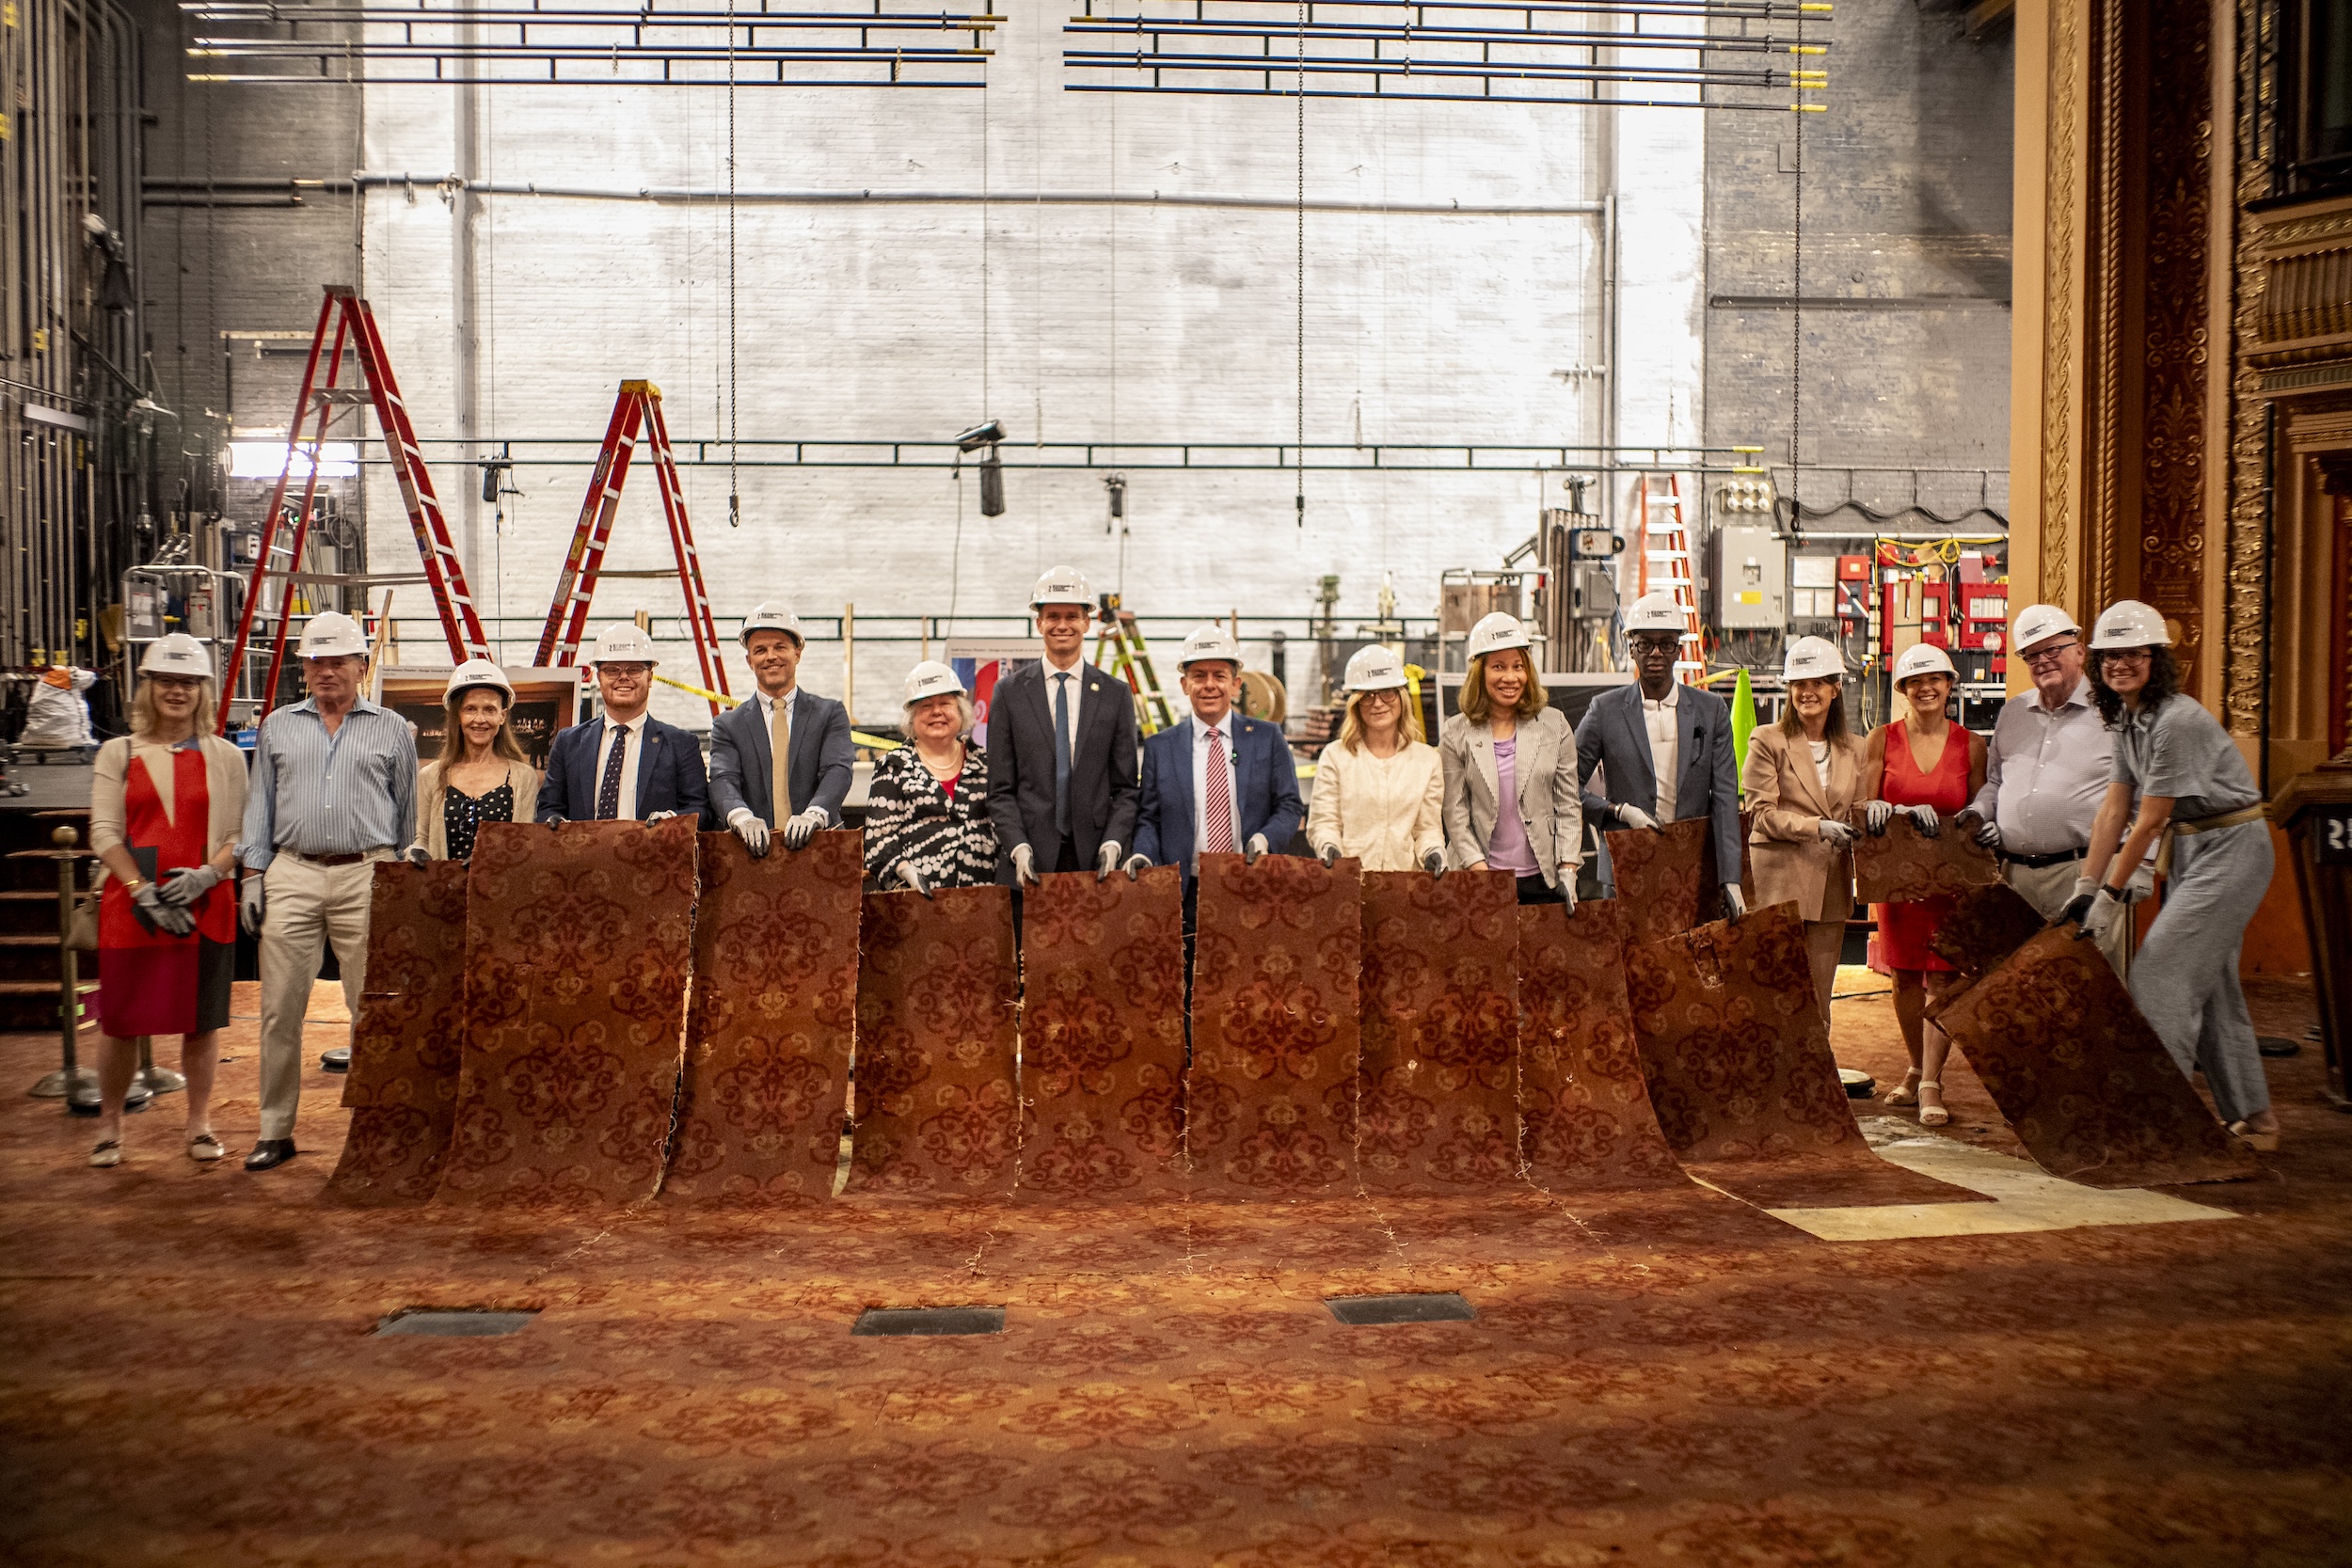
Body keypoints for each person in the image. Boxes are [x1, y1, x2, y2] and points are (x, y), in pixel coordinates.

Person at [2066, 600, 2279, 1150]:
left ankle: (2162, 1122)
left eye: (2132, 653)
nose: (2119, 664)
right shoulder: (2127, 719)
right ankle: (2255, 1119)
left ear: (2155, 659)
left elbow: (2151, 820)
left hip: (2231, 845)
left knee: (2160, 972)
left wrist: (2109, 898)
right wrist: (2084, 889)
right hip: (2194, 848)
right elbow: (2114, 811)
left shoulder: (2176, 720)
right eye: (2109, 656)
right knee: (2212, 986)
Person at [237, 611, 418, 1172]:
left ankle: (378, 1128)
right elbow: (259, 804)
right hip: (292, 873)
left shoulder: (393, 729)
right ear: (303, 667)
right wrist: (252, 874)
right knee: (279, 1009)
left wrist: (399, 872)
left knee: (373, 1008)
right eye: (316, 660)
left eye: (338, 660)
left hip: (366, 872)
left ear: (361, 666)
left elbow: (407, 812)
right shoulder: (277, 727)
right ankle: (275, 1129)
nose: (326, 671)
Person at [82, 635, 246, 1168]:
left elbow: (239, 834)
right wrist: (140, 890)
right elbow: (104, 832)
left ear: (204, 691)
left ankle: (199, 1123)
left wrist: (208, 874)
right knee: (122, 1021)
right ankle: (109, 1126)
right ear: (147, 687)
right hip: (133, 904)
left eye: (189, 683)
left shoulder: (225, 756)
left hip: (204, 901)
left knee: (201, 1021)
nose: (178, 692)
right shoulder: (118, 751)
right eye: (167, 681)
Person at [1957, 603, 2134, 975]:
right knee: (2022, 995)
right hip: (2015, 879)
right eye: (2031, 654)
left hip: (2084, 873)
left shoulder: (2115, 713)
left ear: (2080, 650)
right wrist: (1979, 811)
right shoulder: (2013, 712)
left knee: (2090, 989)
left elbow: (2141, 799)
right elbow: (1996, 782)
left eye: (2053, 649)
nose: (2042, 660)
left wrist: (2137, 867)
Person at [1860, 641, 1988, 1129]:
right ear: (1904, 690)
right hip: (1899, 881)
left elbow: (1975, 818)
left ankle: (1932, 1080)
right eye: (1915, 681)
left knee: (1943, 978)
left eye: (1935, 679)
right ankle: (1916, 1066)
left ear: (1950, 686)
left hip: (1949, 881)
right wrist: (1890, 810)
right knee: (1905, 977)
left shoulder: (1970, 744)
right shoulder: (1882, 739)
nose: (1926, 688)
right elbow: (1864, 806)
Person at [1575, 592, 1746, 924]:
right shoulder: (1604, 711)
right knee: (1630, 969)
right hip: (1627, 867)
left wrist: (1731, 877)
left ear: (1679, 650)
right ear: (1631, 648)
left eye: (1666, 643)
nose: (1655, 653)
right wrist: (1618, 812)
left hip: (1692, 869)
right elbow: (1565, 787)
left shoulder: (1711, 712)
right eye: (1645, 643)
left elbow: (1726, 797)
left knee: (1687, 970)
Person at [1740, 637, 1867, 1029]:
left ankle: (1815, 1087)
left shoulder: (1856, 748)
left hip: (1830, 887)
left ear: (1835, 688)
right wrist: (1818, 827)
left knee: (1818, 999)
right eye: (1799, 683)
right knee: (1774, 996)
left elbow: (1858, 811)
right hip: (1778, 885)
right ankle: (1771, 1086)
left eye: (1817, 682)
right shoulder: (1768, 740)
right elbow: (1761, 813)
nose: (1807, 692)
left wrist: (1882, 810)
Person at [984, 565, 1138, 886]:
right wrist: (1017, 846)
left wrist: (1113, 843)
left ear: (1087, 621)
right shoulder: (1009, 693)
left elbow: (1125, 789)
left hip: (1096, 863)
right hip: (1029, 862)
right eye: (1053, 616)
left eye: (1072, 616)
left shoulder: (1116, 694)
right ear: (1039, 622)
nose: (1062, 625)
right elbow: (1000, 791)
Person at [1126, 625, 1303, 894]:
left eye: (1219, 676)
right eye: (1199, 676)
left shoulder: (1267, 738)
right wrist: (1143, 854)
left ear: (1235, 685)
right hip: (1185, 889)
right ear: (1185, 685)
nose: (1209, 685)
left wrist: (1265, 839)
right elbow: (1149, 819)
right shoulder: (1160, 748)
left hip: (1251, 882)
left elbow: (1289, 805)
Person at [1440, 612, 1581, 908]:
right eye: (1499, 667)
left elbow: (1568, 803)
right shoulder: (1456, 733)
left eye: (1518, 666)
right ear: (1480, 672)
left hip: (1545, 881)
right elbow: (1455, 812)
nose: (1510, 677)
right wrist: (1481, 874)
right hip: (1478, 878)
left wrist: (1568, 867)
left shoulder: (1554, 725)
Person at [708, 603, 853, 858]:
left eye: (780, 647)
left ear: (798, 653)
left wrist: (815, 814)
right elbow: (723, 779)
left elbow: (837, 770)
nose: (770, 656)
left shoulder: (829, 714)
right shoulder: (728, 726)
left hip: (820, 850)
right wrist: (741, 817)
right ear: (749, 660)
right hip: (752, 854)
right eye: (760, 650)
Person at [535, 624, 709, 826]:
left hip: (651, 855)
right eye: (611, 670)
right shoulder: (569, 743)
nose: (623, 677)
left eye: (634, 669)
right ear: (599, 677)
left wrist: (671, 821)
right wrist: (555, 823)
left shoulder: (681, 745)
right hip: (584, 856)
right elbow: (548, 806)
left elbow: (702, 811)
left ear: (650, 676)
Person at [1305, 645, 1445, 876]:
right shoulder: (1336, 756)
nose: (1378, 703)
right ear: (1356, 703)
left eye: (1387, 692)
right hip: (1349, 880)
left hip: (1404, 883)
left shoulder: (1427, 760)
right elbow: (1324, 822)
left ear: (1401, 697)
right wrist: (1329, 847)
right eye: (1368, 695)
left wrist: (1434, 851)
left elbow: (1427, 828)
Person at [865, 661, 995, 894]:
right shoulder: (894, 767)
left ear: (961, 711)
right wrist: (904, 870)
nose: (937, 712)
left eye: (946, 703)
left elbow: (1003, 824)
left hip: (985, 896)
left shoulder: (985, 762)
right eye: (926, 706)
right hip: (917, 900)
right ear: (912, 718)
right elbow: (878, 840)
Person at [413, 659, 541, 863]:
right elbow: (422, 838)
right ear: (457, 716)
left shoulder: (523, 776)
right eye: (470, 709)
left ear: (502, 716)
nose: (480, 719)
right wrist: (416, 851)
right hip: (445, 890)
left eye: (489, 710)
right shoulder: (431, 776)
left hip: (500, 890)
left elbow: (525, 842)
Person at [20, 664, 97, 751]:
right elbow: (89, 677)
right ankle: (63, 738)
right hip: (68, 738)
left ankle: (38, 738)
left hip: (34, 737)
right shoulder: (65, 677)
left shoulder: (42, 688)